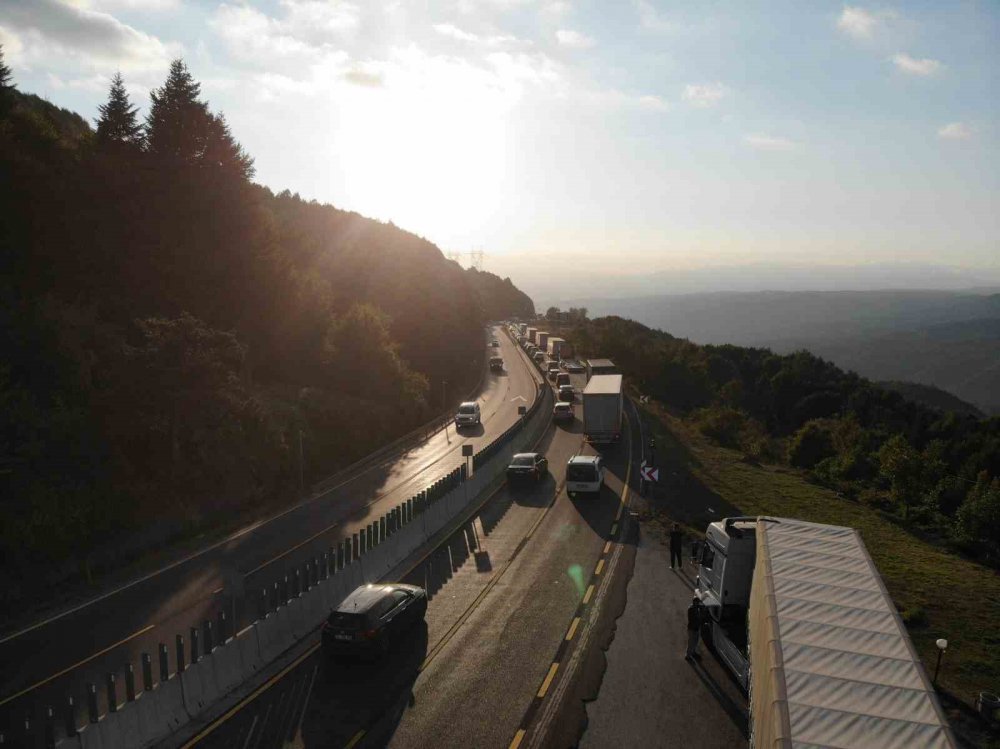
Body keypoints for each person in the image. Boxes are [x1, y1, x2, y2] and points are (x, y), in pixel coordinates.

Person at [685, 596, 703, 661]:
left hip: (696, 628)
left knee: (695, 642)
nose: (698, 603)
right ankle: (687, 656)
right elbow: (696, 617)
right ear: (694, 602)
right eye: (697, 602)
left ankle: (693, 653)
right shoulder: (691, 609)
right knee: (691, 643)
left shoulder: (695, 608)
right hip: (692, 628)